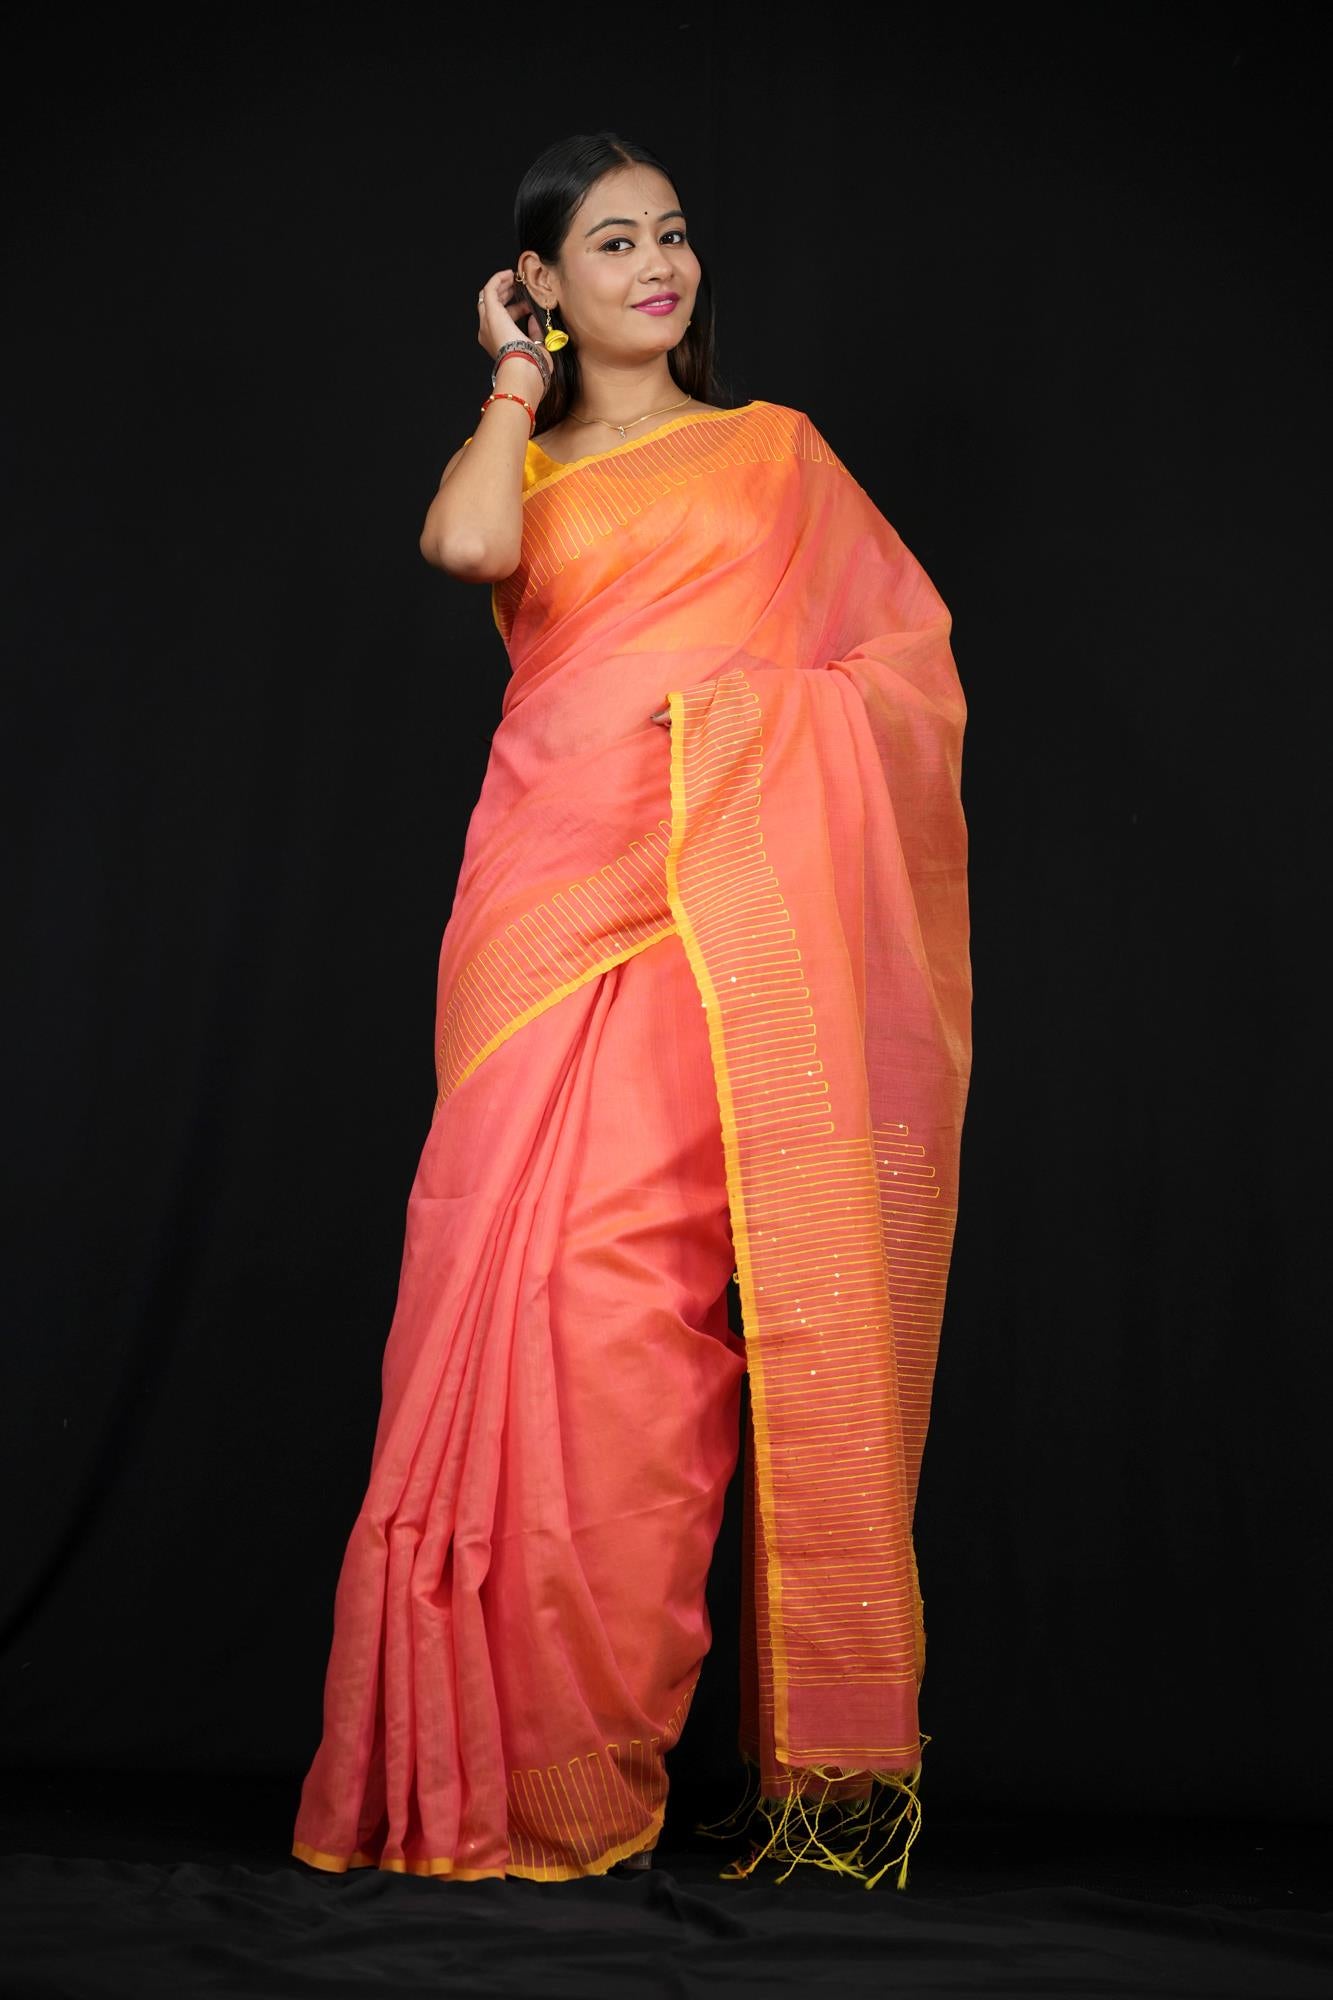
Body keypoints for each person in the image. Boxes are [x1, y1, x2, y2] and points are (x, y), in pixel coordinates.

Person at [291, 131, 971, 1890]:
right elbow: (464, 544)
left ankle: (592, 1760)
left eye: (670, 235)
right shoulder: (519, 460)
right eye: (610, 244)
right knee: (500, 1293)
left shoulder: (776, 454)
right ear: (541, 281)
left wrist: (748, 738)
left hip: (712, 916)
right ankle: (478, 1770)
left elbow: (900, 673)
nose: (658, 266)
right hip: (540, 915)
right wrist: (513, 379)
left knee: (631, 1325)